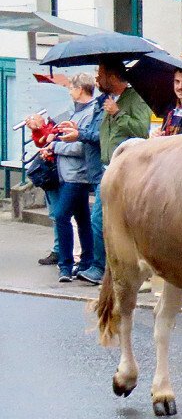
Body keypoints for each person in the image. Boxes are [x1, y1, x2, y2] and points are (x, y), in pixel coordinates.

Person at [69, 57, 152, 286]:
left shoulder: (135, 98)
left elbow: (141, 130)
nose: (97, 79)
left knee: (101, 220)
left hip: (126, 170)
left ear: (113, 77)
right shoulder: (107, 100)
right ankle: (105, 267)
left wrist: (117, 113)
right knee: (103, 221)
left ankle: (103, 268)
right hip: (106, 169)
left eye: (100, 75)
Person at [43, 73, 99, 282]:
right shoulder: (77, 111)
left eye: (71, 88)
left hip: (77, 175)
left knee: (61, 215)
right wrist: (55, 138)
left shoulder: (89, 112)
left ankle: (65, 265)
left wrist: (55, 146)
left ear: (80, 89)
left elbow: (80, 147)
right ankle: (86, 262)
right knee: (83, 219)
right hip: (69, 174)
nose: (69, 92)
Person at [23, 111, 62, 266]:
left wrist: (41, 128)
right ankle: (59, 249)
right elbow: (42, 142)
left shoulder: (66, 117)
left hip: (63, 172)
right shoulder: (56, 118)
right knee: (55, 213)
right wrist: (36, 130)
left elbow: (53, 139)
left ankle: (62, 250)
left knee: (60, 214)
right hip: (52, 172)